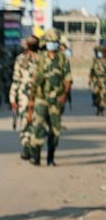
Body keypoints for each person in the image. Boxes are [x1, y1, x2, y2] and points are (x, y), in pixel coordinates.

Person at [23, 28, 71, 166]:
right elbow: (35, 80)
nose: (53, 44)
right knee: (38, 127)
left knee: (55, 130)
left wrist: (64, 95)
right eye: (51, 42)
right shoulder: (41, 58)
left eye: (55, 42)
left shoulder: (63, 59)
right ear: (46, 42)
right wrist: (31, 100)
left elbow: (68, 79)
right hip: (41, 98)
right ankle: (36, 157)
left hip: (56, 100)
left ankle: (51, 158)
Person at [9, 36, 39, 157]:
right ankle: (27, 147)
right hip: (23, 96)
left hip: (39, 95)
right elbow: (16, 79)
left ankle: (34, 146)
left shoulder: (42, 59)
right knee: (25, 121)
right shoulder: (20, 59)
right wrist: (12, 97)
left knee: (37, 122)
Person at [90, 45, 106, 116]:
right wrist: (90, 79)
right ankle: (97, 106)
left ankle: (101, 109)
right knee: (95, 93)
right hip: (96, 80)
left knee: (103, 95)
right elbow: (92, 70)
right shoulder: (95, 61)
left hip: (104, 80)